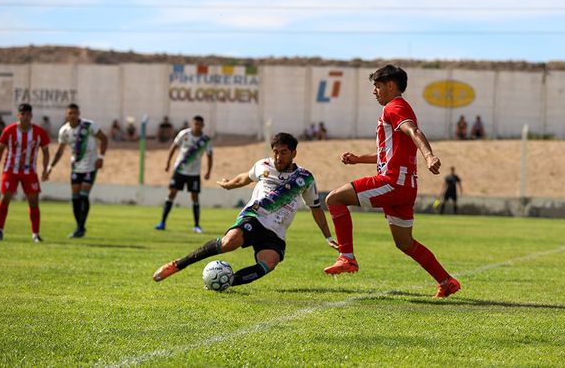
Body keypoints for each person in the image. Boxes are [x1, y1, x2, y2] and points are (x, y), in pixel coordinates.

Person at [322, 65, 460, 298]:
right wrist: (358, 160)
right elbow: (389, 152)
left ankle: (347, 257)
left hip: (392, 182)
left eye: (377, 86)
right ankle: (447, 282)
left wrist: (429, 155)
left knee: (334, 198)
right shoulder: (399, 108)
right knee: (405, 243)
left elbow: (414, 131)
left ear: (390, 85)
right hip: (406, 187)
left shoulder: (394, 107)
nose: (374, 91)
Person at [152, 132, 339, 286]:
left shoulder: (305, 178)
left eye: (283, 153)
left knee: (269, 262)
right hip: (255, 216)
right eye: (275, 152)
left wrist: (328, 236)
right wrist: (229, 184)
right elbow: (246, 177)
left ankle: (228, 281)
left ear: (293, 153)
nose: (278, 157)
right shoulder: (263, 165)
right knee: (229, 243)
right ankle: (177, 265)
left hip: (276, 229)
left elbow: (316, 208)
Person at [46, 104, 109, 238]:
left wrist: (101, 157)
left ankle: (80, 227)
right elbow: (60, 151)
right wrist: (50, 166)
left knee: (83, 195)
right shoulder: (64, 131)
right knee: (75, 198)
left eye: (75, 113)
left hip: (91, 166)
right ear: (66, 115)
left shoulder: (89, 126)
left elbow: (104, 138)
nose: (73, 115)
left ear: (79, 113)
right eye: (70, 113)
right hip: (76, 166)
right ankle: (79, 226)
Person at [0, 104, 51, 242]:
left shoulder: (39, 132)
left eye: (28, 114)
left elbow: (46, 151)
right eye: (23, 114)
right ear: (19, 115)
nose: (26, 117)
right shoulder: (9, 130)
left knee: (33, 202)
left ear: (31, 116)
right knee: (5, 199)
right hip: (10, 170)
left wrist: (45, 169)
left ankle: (35, 234)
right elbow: (0, 151)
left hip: (29, 171)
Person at [155, 115, 213, 233]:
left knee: (195, 196)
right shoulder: (184, 134)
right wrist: (168, 163)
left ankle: (196, 225)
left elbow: (210, 155)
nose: (197, 126)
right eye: (195, 123)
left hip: (194, 173)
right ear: (192, 124)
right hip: (180, 170)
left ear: (202, 126)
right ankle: (162, 222)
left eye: (199, 124)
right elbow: (174, 147)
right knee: (172, 193)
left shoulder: (205, 140)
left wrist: (208, 172)